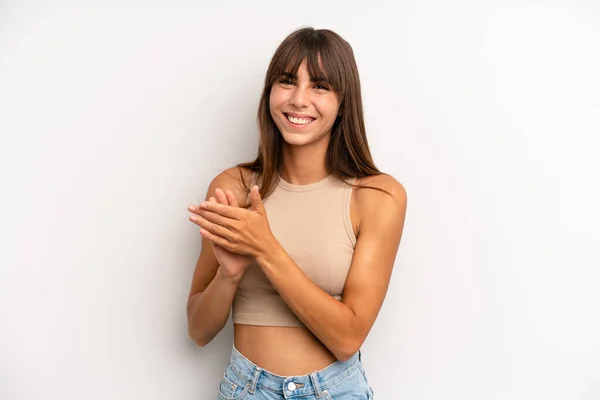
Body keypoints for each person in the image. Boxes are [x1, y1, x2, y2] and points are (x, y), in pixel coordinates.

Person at [186, 26, 407, 400]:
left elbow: (347, 338)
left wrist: (265, 249)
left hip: (335, 391)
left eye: (319, 85)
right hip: (247, 389)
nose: (299, 99)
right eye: (287, 81)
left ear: (343, 102)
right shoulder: (234, 187)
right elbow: (198, 331)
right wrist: (229, 275)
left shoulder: (377, 196)